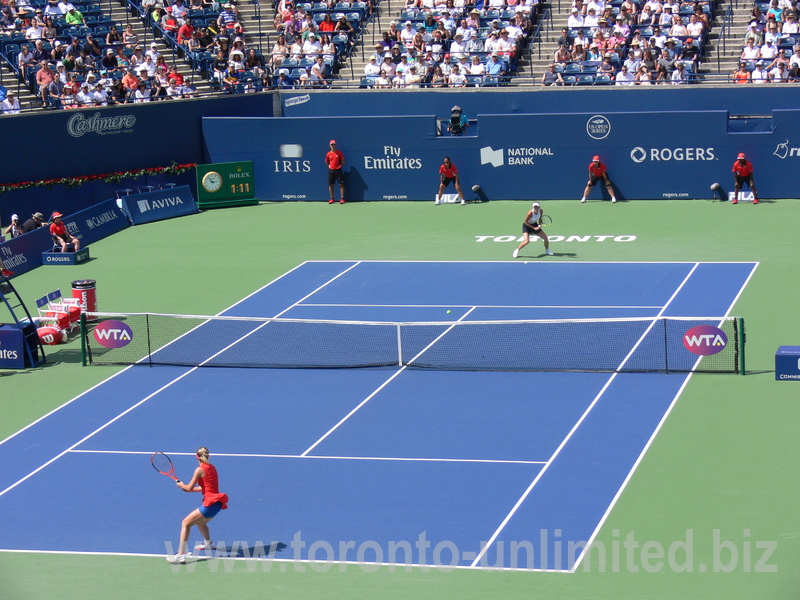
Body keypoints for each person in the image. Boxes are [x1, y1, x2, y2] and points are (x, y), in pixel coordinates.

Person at [166, 446, 229, 565]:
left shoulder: (199, 470)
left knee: (185, 523)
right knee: (200, 523)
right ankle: (208, 543)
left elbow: (189, 487)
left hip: (209, 505)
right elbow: (204, 488)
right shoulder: (212, 468)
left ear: (197, 457)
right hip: (217, 504)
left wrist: (182, 486)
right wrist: (186, 488)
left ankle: (181, 555)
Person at [325, 139, 345, 204]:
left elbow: (343, 162)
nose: (333, 146)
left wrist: (338, 166)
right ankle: (332, 199)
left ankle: (342, 199)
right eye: (331, 144)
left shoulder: (339, 153)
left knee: (341, 184)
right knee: (331, 185)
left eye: (334, 144)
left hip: (338, 170)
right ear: (330, 145)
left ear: (336, 145)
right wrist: (331, 166)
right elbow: (327, 162)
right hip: (331, 170)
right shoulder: (328, 154)